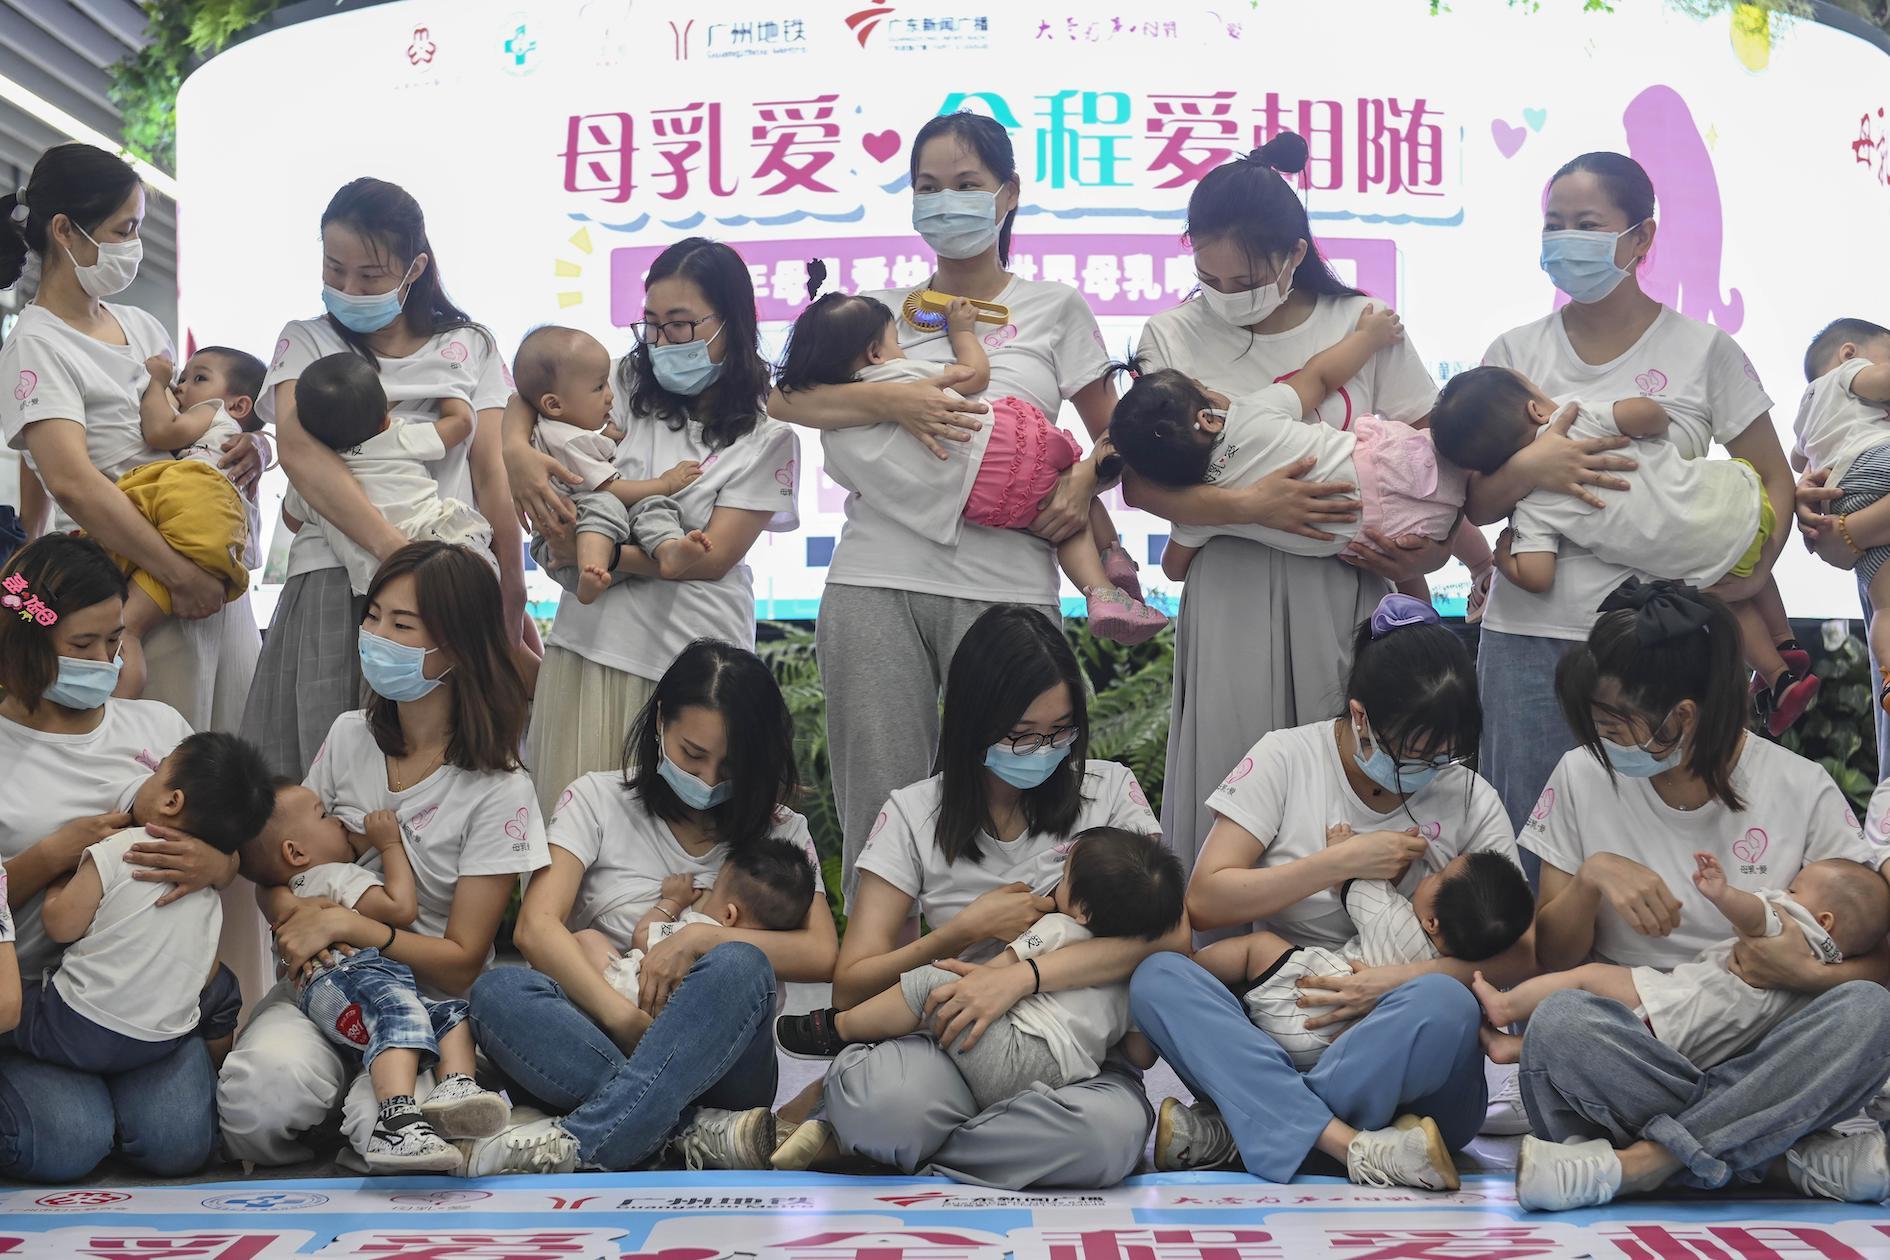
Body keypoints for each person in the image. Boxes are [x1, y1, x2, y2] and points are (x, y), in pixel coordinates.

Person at [1132, 133, 1513, 885]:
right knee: (1231, 775)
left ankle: (1361, 956)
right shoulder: (1171, 333)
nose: (1221, 290)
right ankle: (1224, 957)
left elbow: (1435, 468)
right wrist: (1254, 505)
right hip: (1231, 588)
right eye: (1205, 272)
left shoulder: (1363, 323)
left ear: (1293, 254)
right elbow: (1143, 485)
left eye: (1241, 276)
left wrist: (1429, 558)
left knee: (1347, 776)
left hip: (1346, 586)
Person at [765, 113, 1121, 895]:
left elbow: (1120, 436)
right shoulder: (873, 312)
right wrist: (896, 406)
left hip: (1005, 587)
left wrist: (1082, 481)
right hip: (876, 578)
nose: (945, 202)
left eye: (965, 185)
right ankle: (873, 987)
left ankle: (1002, 976)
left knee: (1007, 796)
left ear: (1008, 195)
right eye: (928, 187)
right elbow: (784, 397)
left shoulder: (1055, 307)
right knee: (881, 795)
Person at [1511, 578, 1890, 1211]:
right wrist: (1592, 877)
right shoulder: (1582, 774)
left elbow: (1878, 971)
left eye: (1615, 723)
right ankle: (1780, 1157)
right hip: (1646, 1045)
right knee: (1559, 1029)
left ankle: (1639, 1165)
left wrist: (1799, 970)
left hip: (1772, 1043)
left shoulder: (1801, 788)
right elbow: (1553, 956)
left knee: (1868, 1017)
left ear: (1681, 717)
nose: (1601, 739)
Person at [1128, 595, 1532, 1188]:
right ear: (1360, 716)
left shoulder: (1468, 794)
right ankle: (1350, 1145)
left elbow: (1522, 954)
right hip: (1286, 1024)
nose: (1433, 769)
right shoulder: (1288, 757)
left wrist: (1394, 983)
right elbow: (1207, 900)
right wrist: (1335, 863)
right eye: (1414, 754)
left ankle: (1246, 1130)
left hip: (1418, 1075)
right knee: (1158, 976)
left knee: (1444, 1006)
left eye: (1446, 754)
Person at [1470, 152, 1789, 838]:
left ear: (1641, 237)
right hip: (1528, 638)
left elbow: (1772, 478)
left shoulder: (1705, 351)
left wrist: (1750, 575)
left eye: (1586, 223)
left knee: (1655, 844)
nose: (1564, 240)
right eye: (1553, 224)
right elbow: (1477, 504)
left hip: (1659, 646)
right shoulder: (1512, 353)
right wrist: (1536, 469)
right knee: (1527, 841)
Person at [817, 606, 1179, 1188]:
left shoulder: (1109, 792)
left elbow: (1172, 934)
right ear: (972, 722)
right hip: (953, 1044)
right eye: (1021, 735)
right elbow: (851, 985)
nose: (1043, 749)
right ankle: (980, 1139)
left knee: (1104, 1139)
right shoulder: (914, 814)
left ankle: (900, 1146)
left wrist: (1021, 976)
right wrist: (961, 933)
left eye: (1061, 731)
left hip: (1073, 1056)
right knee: (880, 1105)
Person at [217, 541, 547, 1168]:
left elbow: (459, 963)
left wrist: (348, 922)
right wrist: (293, 916)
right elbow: (281, 864)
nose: (376, 635)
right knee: (255, 1104)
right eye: (373, 616)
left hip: (424, 1007)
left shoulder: (500, 790)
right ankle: (335, 1115)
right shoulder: (349, 735)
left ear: (456, 646)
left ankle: (377, 1108)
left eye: (402, 625)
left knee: (413, 1137)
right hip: (325, 987)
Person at [468, 639, 837, 1175]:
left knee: (741, 964)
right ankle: (695, 1134)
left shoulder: (782, 830)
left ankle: (587, 1140)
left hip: (724, 1067)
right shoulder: (595, 798)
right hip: (596, 1035)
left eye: (730, 765)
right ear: (661, 721)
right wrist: (622, 1020)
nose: (709, 780)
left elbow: (822, 953)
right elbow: (535, 926)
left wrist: (701, 939)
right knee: (497, 990)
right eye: (693, 754)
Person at [501, 239, 799, 818]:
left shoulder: (766, 435)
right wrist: (516, 451)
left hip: (691, 665)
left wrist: (602, 558)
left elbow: (712, 559)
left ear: (730, 323)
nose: (662, 341)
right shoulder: (626, 380)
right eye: (653, 325)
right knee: (572, 844)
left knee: (686, 848)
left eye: (681, 325)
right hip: (592, 649)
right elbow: (534, 390)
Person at [241, 177, 525, 781]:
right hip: (333, 579)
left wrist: (511, 586)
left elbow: (490, 469)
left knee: (444, 774)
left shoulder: (469, 344)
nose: (348, 288)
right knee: (317, 779)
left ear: (414, 266)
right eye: (334, 268)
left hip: (448, 588)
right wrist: (396, 554)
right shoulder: (306, 338)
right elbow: (298, 451)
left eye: (369, 275)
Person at [0, 535, 248, 1181]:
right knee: (66, 1141)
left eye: (114, 640)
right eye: (82, 647)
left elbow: (228, 841)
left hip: (144, 996)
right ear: (25, 640)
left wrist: (217, 866)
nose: (104, 661)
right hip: (30, 996)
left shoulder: (159, 729)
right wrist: (50, 855)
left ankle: (111, 1099)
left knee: (177, 1144)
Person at [0, 144, 263, 733]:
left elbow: (188, 431)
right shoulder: (35, 344)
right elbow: (67, 479)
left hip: (208, 562)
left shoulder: (142, 327)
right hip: (132, 575)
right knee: (168, 762)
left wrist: (254, 445)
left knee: (239, 750)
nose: (134, 244)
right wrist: (174, 572)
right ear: (65, 231)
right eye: (125, 229)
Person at [1433, 366, 1814, 735]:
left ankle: (1778, 677)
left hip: (1693, 559)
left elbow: (1537, 576)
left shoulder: (1531, 505)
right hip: (1732, 500)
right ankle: (1784, 640)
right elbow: (1651, 416)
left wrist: (1504, 560)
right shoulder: (1576, 414)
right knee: (1744, 550)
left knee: (1730, 596)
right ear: (1536, 409)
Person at [776, 282, 1162, 643]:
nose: (903, 353)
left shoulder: (836, 433)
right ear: (875, 354)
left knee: (1059, 506)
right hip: (1008, 446)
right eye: (897, 344)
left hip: (979, 501)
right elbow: (975, 375)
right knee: (1065, 497)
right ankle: (1110, 561)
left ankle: (1103, 587)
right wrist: (962, 332)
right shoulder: (901, 374)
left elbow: (794, 413)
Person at [778, 826, 1182, 1113]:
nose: (1056, 882)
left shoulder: (1057, 928)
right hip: (1069, 1082)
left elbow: (990, 976)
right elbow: (1140, 1055)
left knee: (934, 986)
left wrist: (948, 975)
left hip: (1017, 1056)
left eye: (1064, 877)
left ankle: (837, 1029)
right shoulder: (1131, 976)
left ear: (1081, 910)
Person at [237, 789, 511, 1173]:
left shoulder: (300, 883)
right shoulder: (336, 876)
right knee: (399, 1017)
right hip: (351, 976)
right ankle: (397, 1116)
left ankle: (454, 1087)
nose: (336, 821)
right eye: (324, 816)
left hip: (338, 984)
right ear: (295, 853)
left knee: (446, 1014)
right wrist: (389, 845)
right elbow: (400, 906)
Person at [1112, 306, 1469, 588]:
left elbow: (1173, 569)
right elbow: (1319, 377)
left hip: (1381, 538)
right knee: (1467, 469)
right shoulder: (1249, 414)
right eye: (1204, 388)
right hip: (1394, 465)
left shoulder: (1200, 510)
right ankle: (1482, 565)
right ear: (1208, 418)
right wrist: (1367, 338)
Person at [1481, 854, 1889, 1069]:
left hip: (1683, 1008)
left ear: (1825, 921)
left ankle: (1505, 1007)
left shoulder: (1795, 927)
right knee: (1609, 1027)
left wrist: (1723, 893)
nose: (1785, 891)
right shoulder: (1834, 967)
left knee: (1589, 978)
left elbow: (1756, 914)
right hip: (1716, 1041)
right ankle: (1512, 1048)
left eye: (1796, 889)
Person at [15, 732, 270, 1076]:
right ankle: (218, 1069)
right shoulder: (206, 885)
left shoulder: (122, 846)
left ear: (171, 802)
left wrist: (62, 874)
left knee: (16, 1004)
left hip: (75, 1025)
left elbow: (60, 925)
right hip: (160, 1041)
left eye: (156, 771)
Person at [1193, 847, 1533, 1070]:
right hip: (1332, 1057)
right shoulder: (1461, 988)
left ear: (1432, 922)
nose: (1429, 875)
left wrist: (1345, 843)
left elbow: (1352, 879)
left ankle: (1189, 967)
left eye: (1438, 877)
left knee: (1258, 946)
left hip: (1306, 1000)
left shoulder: (1394, 918)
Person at [107, 349, 268, 700]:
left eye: (199, 379)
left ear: (239, 406)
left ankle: (121, 716)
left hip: (190, 540)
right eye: (182, 378)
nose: (182, 388)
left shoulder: (212, 411)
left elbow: (161, 430)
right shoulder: (232, 444)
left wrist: (156, 381)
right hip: (200, 542)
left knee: (126, 628)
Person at [512, 324, 711, 603]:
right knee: (611, 502)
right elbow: (609, 489)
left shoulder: (559, 428)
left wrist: (604, 437)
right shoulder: (569, 442)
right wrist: (664, 484)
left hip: (605, 540)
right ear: (554, 405)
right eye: (598, 388)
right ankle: (590, 571)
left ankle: (668, 550)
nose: (610, 395)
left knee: (650, 506)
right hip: (567, 551)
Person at [280, 354, 490, 596]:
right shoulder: (396, 438)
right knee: (486, 594)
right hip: (442, 541)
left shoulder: (308, 480)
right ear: (385, 420)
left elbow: (292, 521)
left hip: (376, 580)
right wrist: (445, 378)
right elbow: (462, 423)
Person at [572, 836, 817, 1005]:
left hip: (640, 1001)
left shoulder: (700, 929)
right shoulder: (771, 981)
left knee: (587, 941)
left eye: (716, 889)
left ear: (729, 915)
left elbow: (643, 937)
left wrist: (672, 902)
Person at [1790, 319, 1890, 707]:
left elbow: (1799, 457)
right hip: (1876, 464)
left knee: (1885, 603)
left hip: (1843, 490)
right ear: (1849, 354)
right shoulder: (1853, 374)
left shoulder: (1810, 403)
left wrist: (1849, 532)